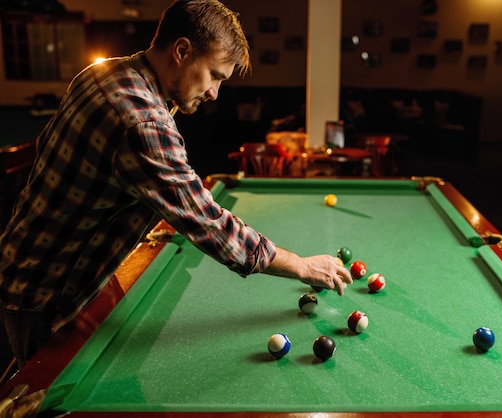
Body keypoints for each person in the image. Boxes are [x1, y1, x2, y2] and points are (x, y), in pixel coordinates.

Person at [0, 0, 352, 369]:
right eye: (214, 75)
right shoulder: (143, 121)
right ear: (182, 50)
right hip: (45, 291)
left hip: (30, 262)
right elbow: (208, 223)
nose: (215, 92)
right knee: (49, 399)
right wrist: (299, 265)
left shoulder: (104, 73)